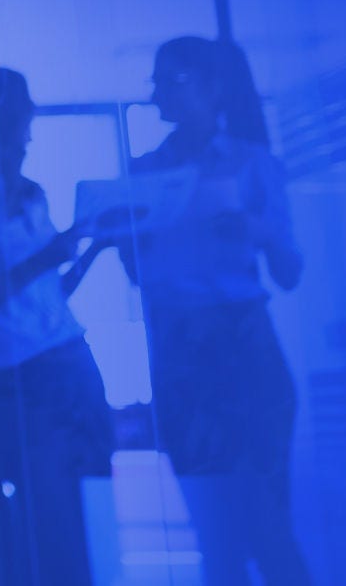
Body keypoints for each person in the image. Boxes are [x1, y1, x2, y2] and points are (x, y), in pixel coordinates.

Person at [80, 36, 311, 586]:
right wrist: (118, 239)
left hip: (244, 346)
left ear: (214, 88)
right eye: (157, 81)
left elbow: (291, 271)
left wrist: (254, 230)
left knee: (270, 528)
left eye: (174, 80)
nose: (161, 92)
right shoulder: (142, 170)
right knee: (214, 534)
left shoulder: (255, 164)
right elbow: (140, 274)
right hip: (179, 349)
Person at [0, 67, 115, 586]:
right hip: (21, 378)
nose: (30, 126)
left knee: (92, 506)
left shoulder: (32, 191)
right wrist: (48, 256)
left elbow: (49, 297)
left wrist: (93, 248)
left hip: (72, 358)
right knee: (49, 523)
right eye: (22, 113)